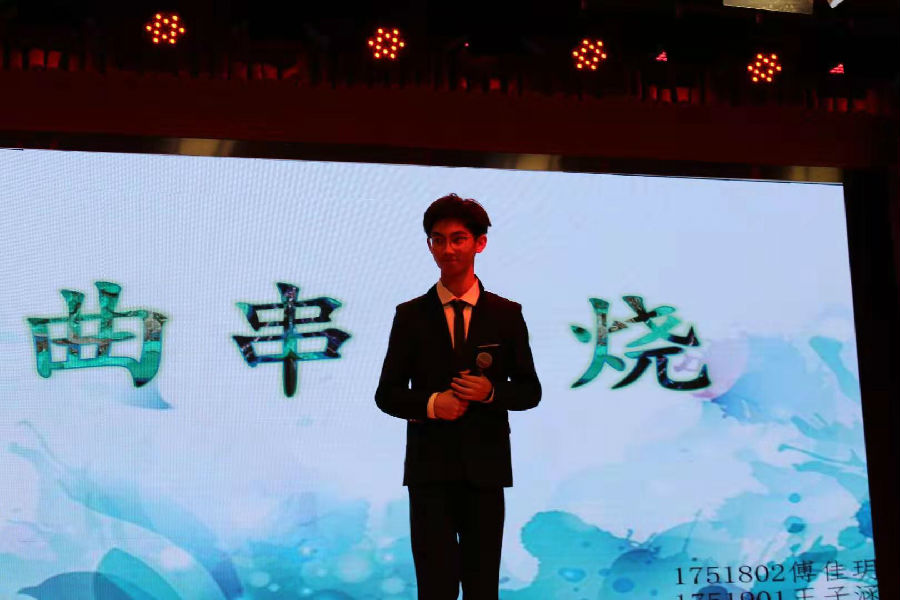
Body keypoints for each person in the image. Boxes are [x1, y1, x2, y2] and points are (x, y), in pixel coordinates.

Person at [375, 194, 542, 600]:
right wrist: (433, 405)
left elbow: (529, 391)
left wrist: (491, 392)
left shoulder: (506, 314)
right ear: (429, 245)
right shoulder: (410, 315)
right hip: (429, 472)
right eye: (438, 239)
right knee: (435, 587)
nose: (447, 249)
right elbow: (387, 394)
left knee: (483, 586)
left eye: (458, 239)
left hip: (485, 471)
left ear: (479, 243)